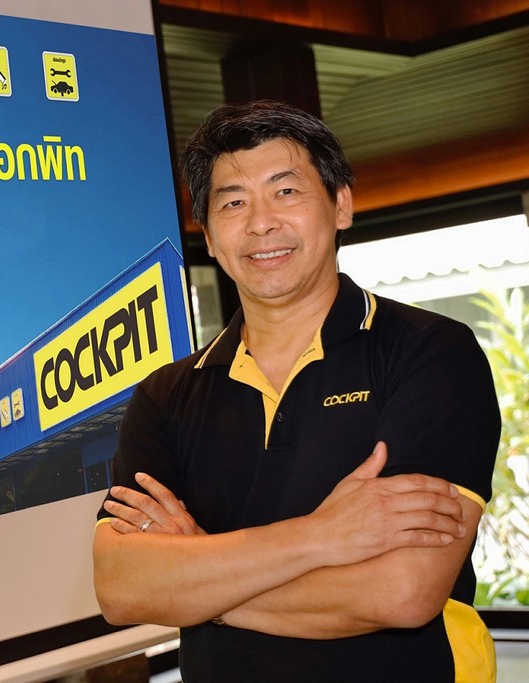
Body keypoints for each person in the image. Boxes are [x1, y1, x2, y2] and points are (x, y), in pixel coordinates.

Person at [93, 100, 500, 681]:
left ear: (341, 206)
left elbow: (403, 590)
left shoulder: (429, 352)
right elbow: (121, 588)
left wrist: (198, 585)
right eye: (233, 202)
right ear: (209, 236)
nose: (261, 223)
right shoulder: (166, 396)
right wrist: (320, 536)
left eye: (286, 192)